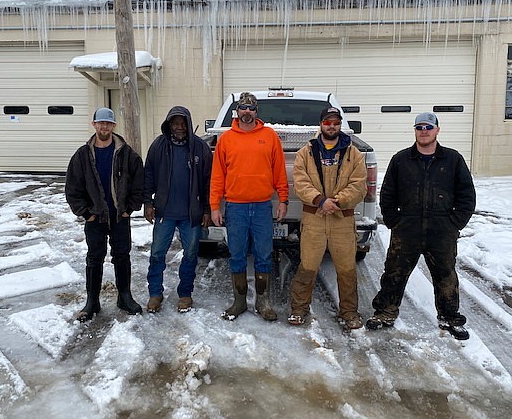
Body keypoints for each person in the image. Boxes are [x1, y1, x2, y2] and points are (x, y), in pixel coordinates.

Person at [366, 112, 476, 340]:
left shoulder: (453, 160)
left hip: (441, 230)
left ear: (437, 130)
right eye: (419, 127)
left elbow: (467, 195)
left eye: (428, 127)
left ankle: (449, 317)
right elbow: (387, 194)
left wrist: (455, 224)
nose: (423, 131)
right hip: (407, 229)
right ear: (414, 131)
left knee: (445, 275)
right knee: (394, 273)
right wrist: (394, 220)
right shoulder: (401, 160)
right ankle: (385, 312)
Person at [210, 92, 289, 321]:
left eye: (251, 108)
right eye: (243, 108)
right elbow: (217, 176)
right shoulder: (226, 139)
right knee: (237, 254)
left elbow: (279, 172)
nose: (247, 112)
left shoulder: (269, 136)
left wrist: (283, 199)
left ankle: (263, 303)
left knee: (264, 255)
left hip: (263, 206)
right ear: (237, 111)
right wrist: (215, 205)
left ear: (256, 112)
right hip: (236, 207)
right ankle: (239, 301)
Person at [287, 107, 367, 332]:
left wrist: (337, 202)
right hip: (314, 218)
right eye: (327, 122)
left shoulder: (354, 154)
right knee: (308, 266)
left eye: (335, 122)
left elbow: (359, 185)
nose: (331, 126)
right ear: (320, 124)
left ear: (340, 125)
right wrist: (320, 200)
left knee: (346, 268)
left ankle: (349, 311)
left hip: (342, 218)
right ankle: (299, 308)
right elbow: (300, 183)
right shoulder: (306, 152)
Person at [65, 107, 144, 322]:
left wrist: (129, 208)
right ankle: (92, 301)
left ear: (113, 126)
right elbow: (73, 187)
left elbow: (139, 182)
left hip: (120, 217)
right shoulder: (82, 155)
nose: (104, 127)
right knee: (94, 258)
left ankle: (124, 296)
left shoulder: (127, 154)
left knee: (122, 256)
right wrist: (85, 213)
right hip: (95, 218)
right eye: (100, 123)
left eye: (108, 123)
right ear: (94, 125)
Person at [143, 106, 212, 313]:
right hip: (165, 212)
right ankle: (155, 293)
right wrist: (148, 202)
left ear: (188, 124)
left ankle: (185, 294)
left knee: (190, 255)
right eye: (175, 123)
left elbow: (209, 181)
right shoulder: (158, 146)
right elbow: (149, 175)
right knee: (157, 254)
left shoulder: (200, 148)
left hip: (191, 214)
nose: (179, 127)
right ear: (169, 125)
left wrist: (207, 209)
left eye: (183, 123)